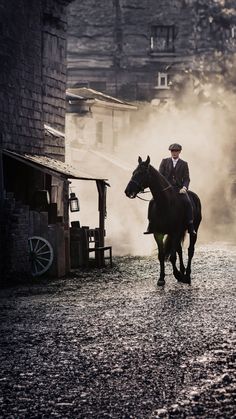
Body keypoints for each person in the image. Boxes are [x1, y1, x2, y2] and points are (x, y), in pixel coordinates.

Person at [144, 143, 196, 235]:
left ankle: (190, 226)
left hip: (179, 189)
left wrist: (184, 187)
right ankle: (151, 224)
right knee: (152, 202)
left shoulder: (184, 164)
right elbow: (160, 176)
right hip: (166, 189)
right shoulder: (164, 161)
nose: (174, 153)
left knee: (187, 202)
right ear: (170, 152)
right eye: (172, 151)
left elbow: (186, 178)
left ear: (179, 152)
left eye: (176, 151)